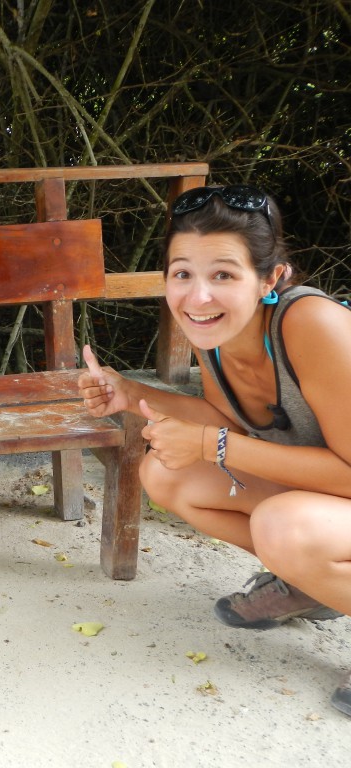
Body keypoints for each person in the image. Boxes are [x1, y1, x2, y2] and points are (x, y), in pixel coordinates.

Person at [77, 184, 351, 717]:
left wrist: (211, 444)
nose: (198, 297)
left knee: (283, 525)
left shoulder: (313, 324)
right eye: (183, 274)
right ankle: (312, 586)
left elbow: (230, 441)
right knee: (167, 475)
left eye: (223, 275)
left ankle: (307, 567)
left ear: (270, 278)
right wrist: (129, 394)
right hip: (329, 495)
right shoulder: (217, 333)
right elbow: (229, 423)